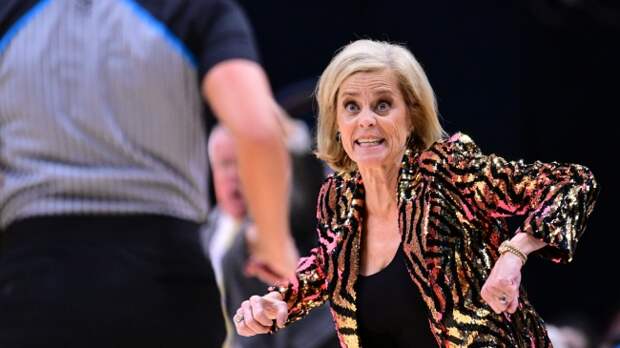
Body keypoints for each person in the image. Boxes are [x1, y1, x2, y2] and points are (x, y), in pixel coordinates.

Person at [232, 39, 600, 347]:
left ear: (411, 116)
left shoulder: (447, 172)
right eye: (351, 107)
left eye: (382, 105)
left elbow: (572, 183)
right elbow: (326, 265)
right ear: (336, 122)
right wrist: (278, 301)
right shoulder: (337, 197)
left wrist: (514, 252)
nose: (366, 120)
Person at [0, 0, 296, 347]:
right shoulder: (194, 9)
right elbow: (258, 131)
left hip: (32, 283)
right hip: (162, 284)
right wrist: (274, 245)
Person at [202, 124, 338, 348]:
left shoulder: (282, 213)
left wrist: (296, 140)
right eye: (225, 164)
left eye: (241, 162)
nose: (233, 174)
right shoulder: (202, 234)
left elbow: (307, 192)